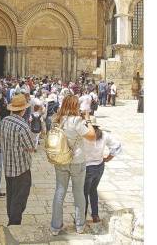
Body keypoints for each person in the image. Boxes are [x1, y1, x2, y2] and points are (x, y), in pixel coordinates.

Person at [49, 95, 96, 236]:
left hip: (61, 159)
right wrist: (87, 119)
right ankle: (80, 225)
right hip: (77, 160)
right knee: (78, 193)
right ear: (75, 106)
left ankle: (55, 227)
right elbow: (92, 136)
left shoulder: (57, 120)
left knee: (59, 191)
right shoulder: (76, 121)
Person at [0, 94, 36, 226]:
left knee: (11, 194)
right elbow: (31, 147)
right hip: (21, 168)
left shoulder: (4, 121)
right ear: (23, 109)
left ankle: (11, 217)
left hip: (8, 166)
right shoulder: (23, 126)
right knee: (20, 197)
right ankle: (14, 223)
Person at [82, 117, 122, 222]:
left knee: (84, 193)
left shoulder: (83, 135)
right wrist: (108, 159)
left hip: (87, 168)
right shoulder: (103, 135)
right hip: (99, 166)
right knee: (93, 190)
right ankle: (95, 215)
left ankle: (82, 217)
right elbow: (117, 146)